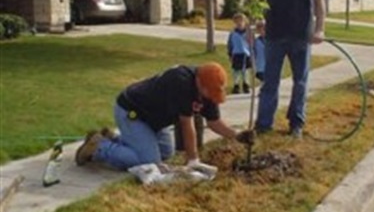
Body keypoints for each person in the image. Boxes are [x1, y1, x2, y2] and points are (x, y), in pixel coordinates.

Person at [75, 62, 254, 171]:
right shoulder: (181, 81)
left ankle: (114, 138)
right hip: (132, 112)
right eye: (210, 92)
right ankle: (100, 147)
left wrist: (237, 135)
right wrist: (193, 160)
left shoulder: (208, 89)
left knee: (166, 153)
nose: (211, 98)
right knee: (149, 162)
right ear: (199, 82)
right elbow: (186, 124)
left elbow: (215, 123)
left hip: (153, 121)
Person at [255, 0, 326, 138]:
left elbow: (318, 1)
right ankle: (264, 124)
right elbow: (258, 0)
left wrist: (320, 29)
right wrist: (259, 19)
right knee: (269, 81)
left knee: (300, 81)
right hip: (274, 34)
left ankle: (296, 123)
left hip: (300, 35)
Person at [227, 12, 251, 94]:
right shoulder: (233, 34)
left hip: (246, 54)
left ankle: (246, 84)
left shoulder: (248, 33)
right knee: (236, 71)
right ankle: (236, 85)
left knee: (245, 71)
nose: (239, 23)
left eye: (241, 21)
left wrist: (252, 53)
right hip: (236, 54)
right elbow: (230, 44)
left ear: (244, 22)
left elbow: (252, 44)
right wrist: (230, 54)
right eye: (237, 22)